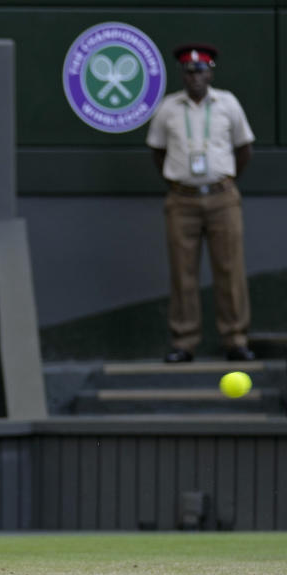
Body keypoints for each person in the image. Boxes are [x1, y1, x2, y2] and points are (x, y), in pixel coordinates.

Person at [146, 43, 255, 363]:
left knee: (230, 269)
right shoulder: (167, 108)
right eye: (190, 71)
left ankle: (235, 339)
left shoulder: (228, 104)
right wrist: (178, 182)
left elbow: (244, 149)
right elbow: (157, 152)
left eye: (201, 70)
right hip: (182, 200)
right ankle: (184, 342)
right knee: (183, 273)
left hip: (223, 198)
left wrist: (226, 179)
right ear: (183, 74)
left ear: (211, 73)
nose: (195, 76)